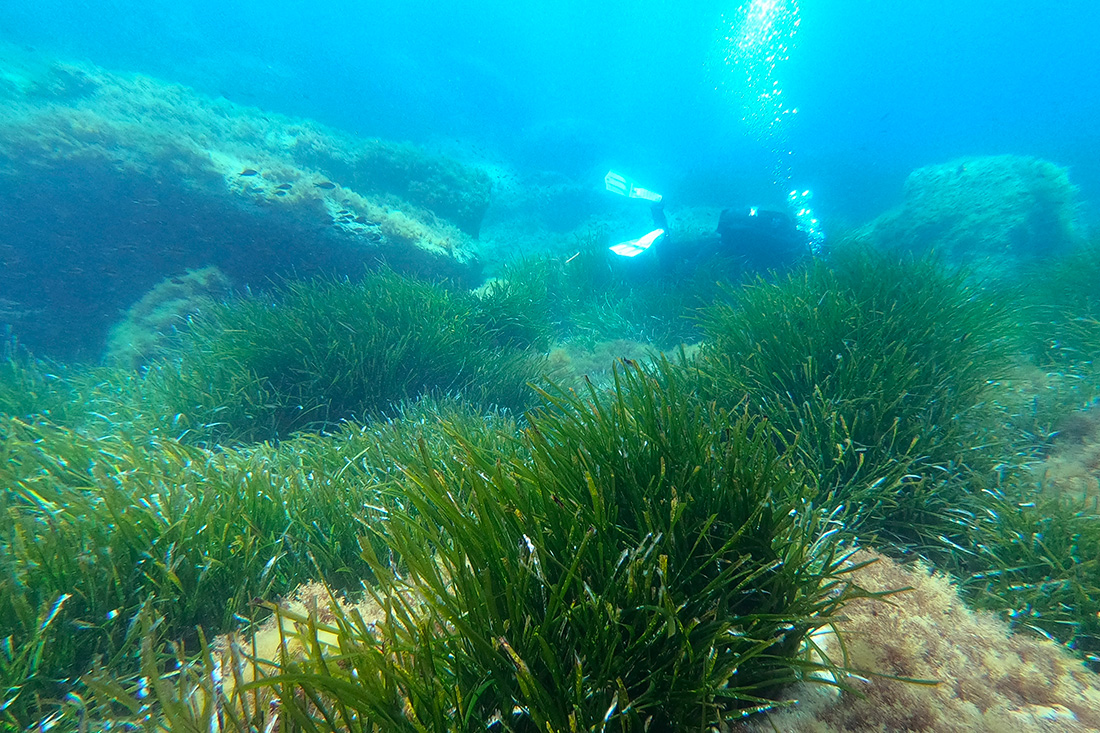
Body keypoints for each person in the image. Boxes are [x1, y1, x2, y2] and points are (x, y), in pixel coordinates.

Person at [604, 171, 814, 276]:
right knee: (676, 275)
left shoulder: (780, 226)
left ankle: (658, 208)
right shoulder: (790, 248)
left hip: (721, 241)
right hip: (723, 250)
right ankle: (659, 219)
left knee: (676, 252)